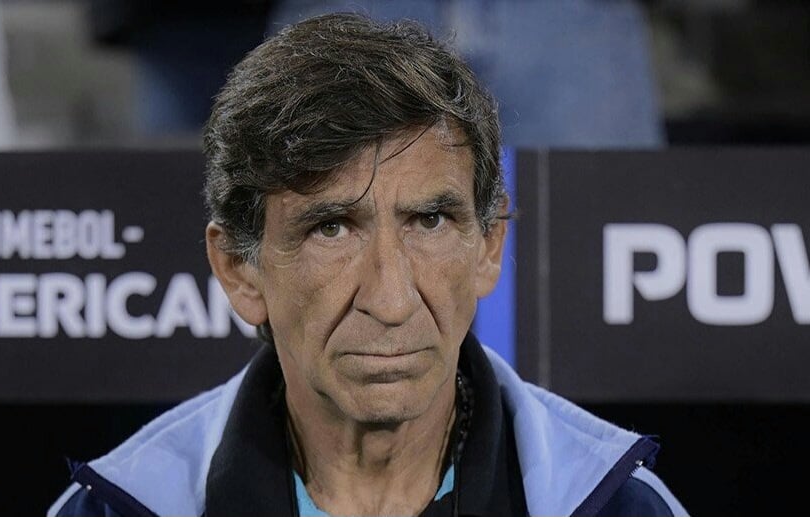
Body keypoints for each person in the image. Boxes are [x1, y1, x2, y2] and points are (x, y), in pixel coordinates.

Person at [48, 13, 687, 517]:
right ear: (239, 269)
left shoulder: (620, 506)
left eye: (429, 221)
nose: (390, 300)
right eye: (331, 228)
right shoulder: (114, 508)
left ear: (489, 247)